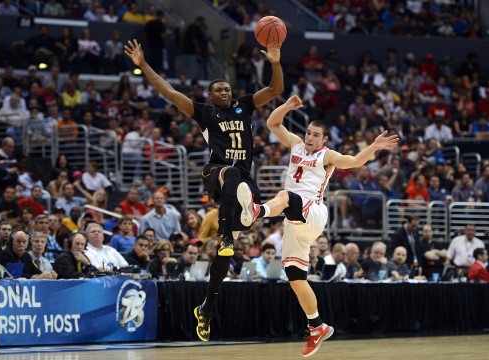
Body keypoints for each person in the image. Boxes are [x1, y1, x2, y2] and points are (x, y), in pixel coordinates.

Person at [124, 37, 284, 341]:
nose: (224, 91)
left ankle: (207, 307)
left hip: (240, 182)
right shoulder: (204, 113)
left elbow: (276, 90)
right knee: (232, 176)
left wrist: (275, 63)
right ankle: (224, 234)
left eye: (227, 88)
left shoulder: (246, 105)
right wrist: (143, 64)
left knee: (241, 231)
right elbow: (168, 91)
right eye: (218, 89)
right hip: (216, 173)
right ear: (210, 96)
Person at [235, 95, 398, 356]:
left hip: (313, 212)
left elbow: (355, 161)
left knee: (285, 196)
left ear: (324, 140)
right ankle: (317, 325)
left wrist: (374, 147)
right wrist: (286, 107)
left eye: (315, 135)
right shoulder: (296, 145)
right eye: (308, 133)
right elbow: (272, 124)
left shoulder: (327, 156)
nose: (309, 138)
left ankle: (256, 211)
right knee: (296, 279)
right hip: (294, 221)